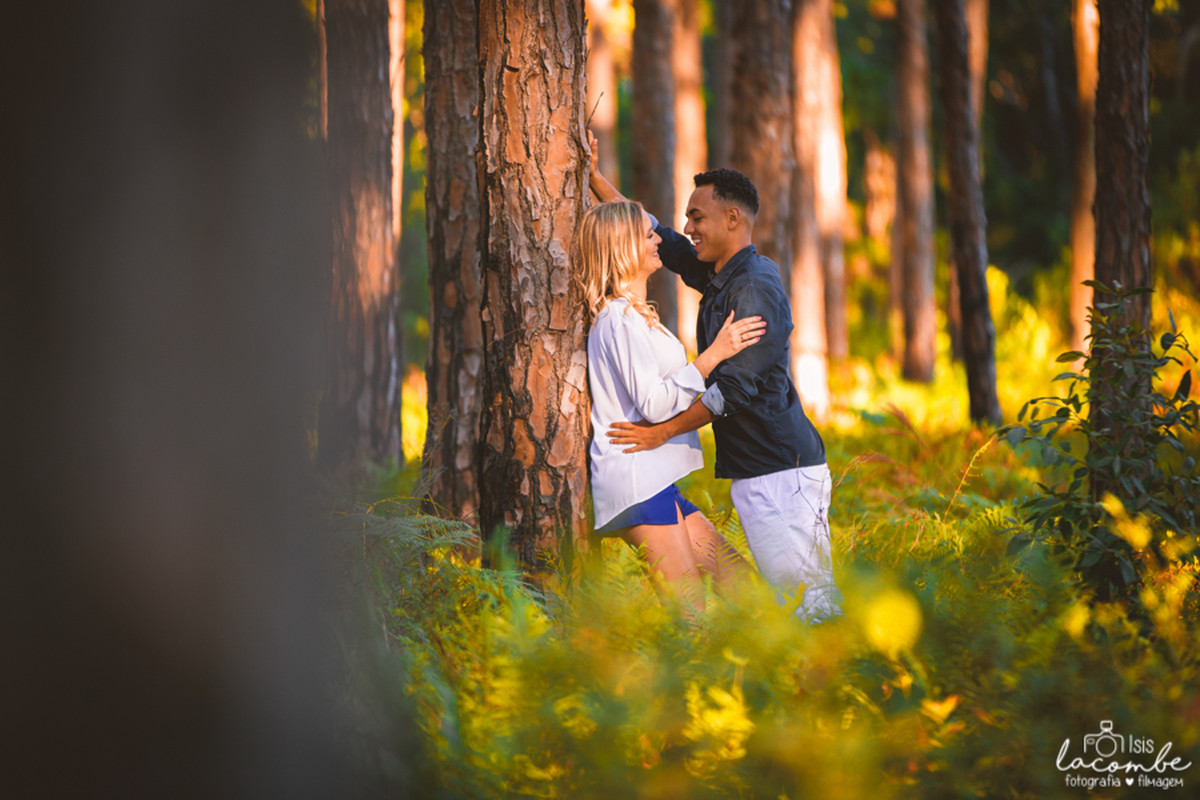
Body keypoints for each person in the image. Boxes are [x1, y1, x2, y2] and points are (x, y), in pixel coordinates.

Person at [587, 133, 844, 623]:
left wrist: (660, 432)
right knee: (783, 601)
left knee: (806, 606)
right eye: (686, 218)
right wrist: (596, 179)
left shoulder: (752, 289)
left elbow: (732, 390)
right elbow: (646, 232)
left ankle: (835, 688)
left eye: (696, 217)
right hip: (757, 472)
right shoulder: (720, 273)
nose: (685, 228)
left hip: (778, 474)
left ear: (733, 219)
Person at [577, 199, 762, 617]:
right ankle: (696, 682)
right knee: (692, 613)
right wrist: (713, 356)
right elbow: (654, 403)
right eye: (648, 235)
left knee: (740, 585)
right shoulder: (617, 321)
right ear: (624, 248)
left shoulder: (635, 316)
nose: (659, 239)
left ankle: (772, 669)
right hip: (637, 481)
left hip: (657, 478)